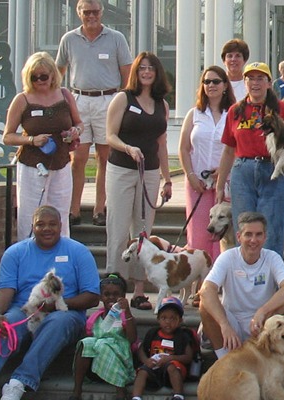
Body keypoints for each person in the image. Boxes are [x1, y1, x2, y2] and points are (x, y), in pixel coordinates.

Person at [0, 206, 100, 400]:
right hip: (25, 309)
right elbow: (5, 289)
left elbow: (92, 296)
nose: (46, 229)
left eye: (52, 224)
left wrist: (57, 304)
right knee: (6, 322)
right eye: (40, 224)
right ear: (32, 226)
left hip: (66, 312)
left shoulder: (78, 252)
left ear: (61, 225)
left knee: (57, 321)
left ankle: (19, 382)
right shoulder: (15, 252)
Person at [214, 62, 284, 254]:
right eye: (250, 78)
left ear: (268, 83)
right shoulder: (235, 111)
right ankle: (244, 280)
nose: (255, 83)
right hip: (243, 172)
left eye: (260, 78)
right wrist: (219, 184)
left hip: (273, 172)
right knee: (244, 231)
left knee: (271, 233)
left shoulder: (282, 108)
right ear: (245, 82)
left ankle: (269, 283)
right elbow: (228, 151)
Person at [104, 52, 172, 311]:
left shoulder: (161, 104)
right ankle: (114, 288)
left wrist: (167, 179)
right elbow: (109, 135)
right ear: (135, 71)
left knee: (142, 234)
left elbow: (162, 144)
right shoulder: (123, 98)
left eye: (150, 68)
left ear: (156, 73)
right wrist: (127, 148)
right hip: (121, 169)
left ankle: (140, 291)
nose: (146, 72)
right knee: (119, 231)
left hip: (150, 172)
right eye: (141, 68)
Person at [56, 0, 132, 227]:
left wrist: (122, 101)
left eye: (95, 11)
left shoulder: (116, 38)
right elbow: (58, 72)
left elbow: (127, 73)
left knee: (105, 157)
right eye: (86, 12)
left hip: (107, 100)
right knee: (77, 158)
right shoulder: (69, 39)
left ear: (102, 12)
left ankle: (100, 209)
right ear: (79, 13)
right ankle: (74, 209)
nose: (91, 16)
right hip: (78, 100)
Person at [3, 52, 81, 237]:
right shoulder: (22, 99)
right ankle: (29, 257)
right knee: (30, 216)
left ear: (53, 74)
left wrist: (75, 131)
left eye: (43, 76)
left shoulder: (64, 95)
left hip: (61, 162)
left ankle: (61, 259)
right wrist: (31, 140)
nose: (39, 80)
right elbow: (7, 137)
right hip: (32, 164)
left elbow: (79, 123)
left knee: (60, 215)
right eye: (34, 77)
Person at [198, 212, 284, 359]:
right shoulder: (227, 257)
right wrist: (224, 325)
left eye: (258, 235)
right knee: (204, 305)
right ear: (239, 237)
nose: (253, 240)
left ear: (265, 237)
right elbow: (206, 290)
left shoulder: (272, 257)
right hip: (233, 322)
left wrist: (262, 311)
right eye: (248, 234)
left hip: (261, 323)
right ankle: (224, 359)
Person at [177, 66, 234, 267]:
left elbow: (238, 148)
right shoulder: (194, 114)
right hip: (197, 183)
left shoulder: (233, 114)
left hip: (226, 182)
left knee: (223, 236)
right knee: (199, 234)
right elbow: (183, 148)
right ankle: (199, 286)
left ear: (225, 85)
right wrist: (190, 175)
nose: (211, 85)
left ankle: (219, 282)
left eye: (216, 81)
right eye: (207, 82)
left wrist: (224, 170)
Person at [70, 273, 135, 400]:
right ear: (101, 297)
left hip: (120, 362)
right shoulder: (95, 318)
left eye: (116, 294)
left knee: (103, 344)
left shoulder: (124, 317)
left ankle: (121, 392)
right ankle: (77, 390)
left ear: (123, 297)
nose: (111, 298)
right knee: (86, 342)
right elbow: (89, 336)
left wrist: (127, 312)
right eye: (107, 294)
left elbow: (132, 339)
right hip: (96, 366)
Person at [132, 297, 196, 400]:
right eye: (164, 318)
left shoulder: (183, 336)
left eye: (173, 318)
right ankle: (136, 397)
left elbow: (188, 357)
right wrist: (146, 360)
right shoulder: (153, 333)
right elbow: (141, 350)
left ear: (180, 320)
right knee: (142, 371)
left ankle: (178, 395)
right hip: (154, 367)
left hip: (172, 369)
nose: (168, 322)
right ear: (158, 319)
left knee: (172, 367)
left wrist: (170, 358)